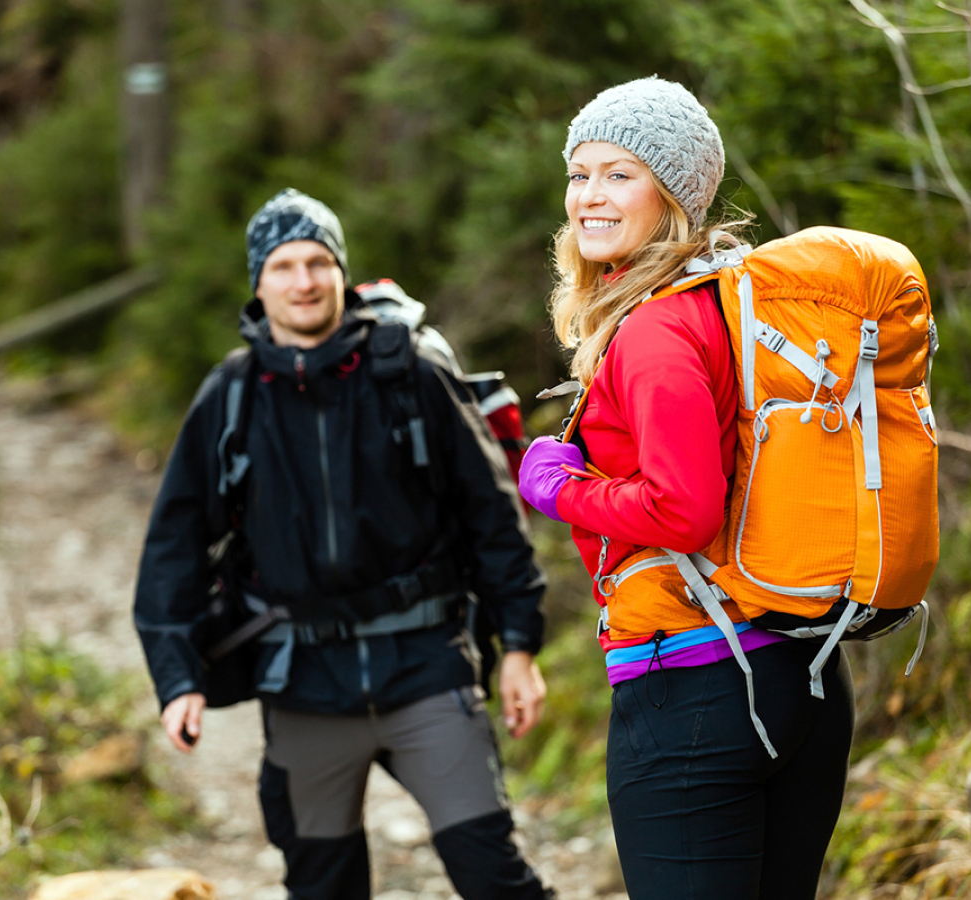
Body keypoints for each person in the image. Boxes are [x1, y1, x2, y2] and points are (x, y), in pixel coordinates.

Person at [134, 188, 555, 900]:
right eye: (285, 266)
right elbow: (174, 543)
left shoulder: (410, 372)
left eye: (318, 262)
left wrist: (517, 645)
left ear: (341, 271)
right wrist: (177, 678)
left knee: (494, 878)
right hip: (302, 686)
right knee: (322, 889)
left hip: (426, 668)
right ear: (258, 282)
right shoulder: (232, 395)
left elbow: (490, 513)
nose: (303, 281)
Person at [517, 78, 855, 900]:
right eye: (580, 173)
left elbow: (685, 508)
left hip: (699, 688)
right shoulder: (733, 302)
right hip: (801, 672)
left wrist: (562, 490)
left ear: (675, 194)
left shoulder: (659, 328)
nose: (590, 196)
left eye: (619, 174)